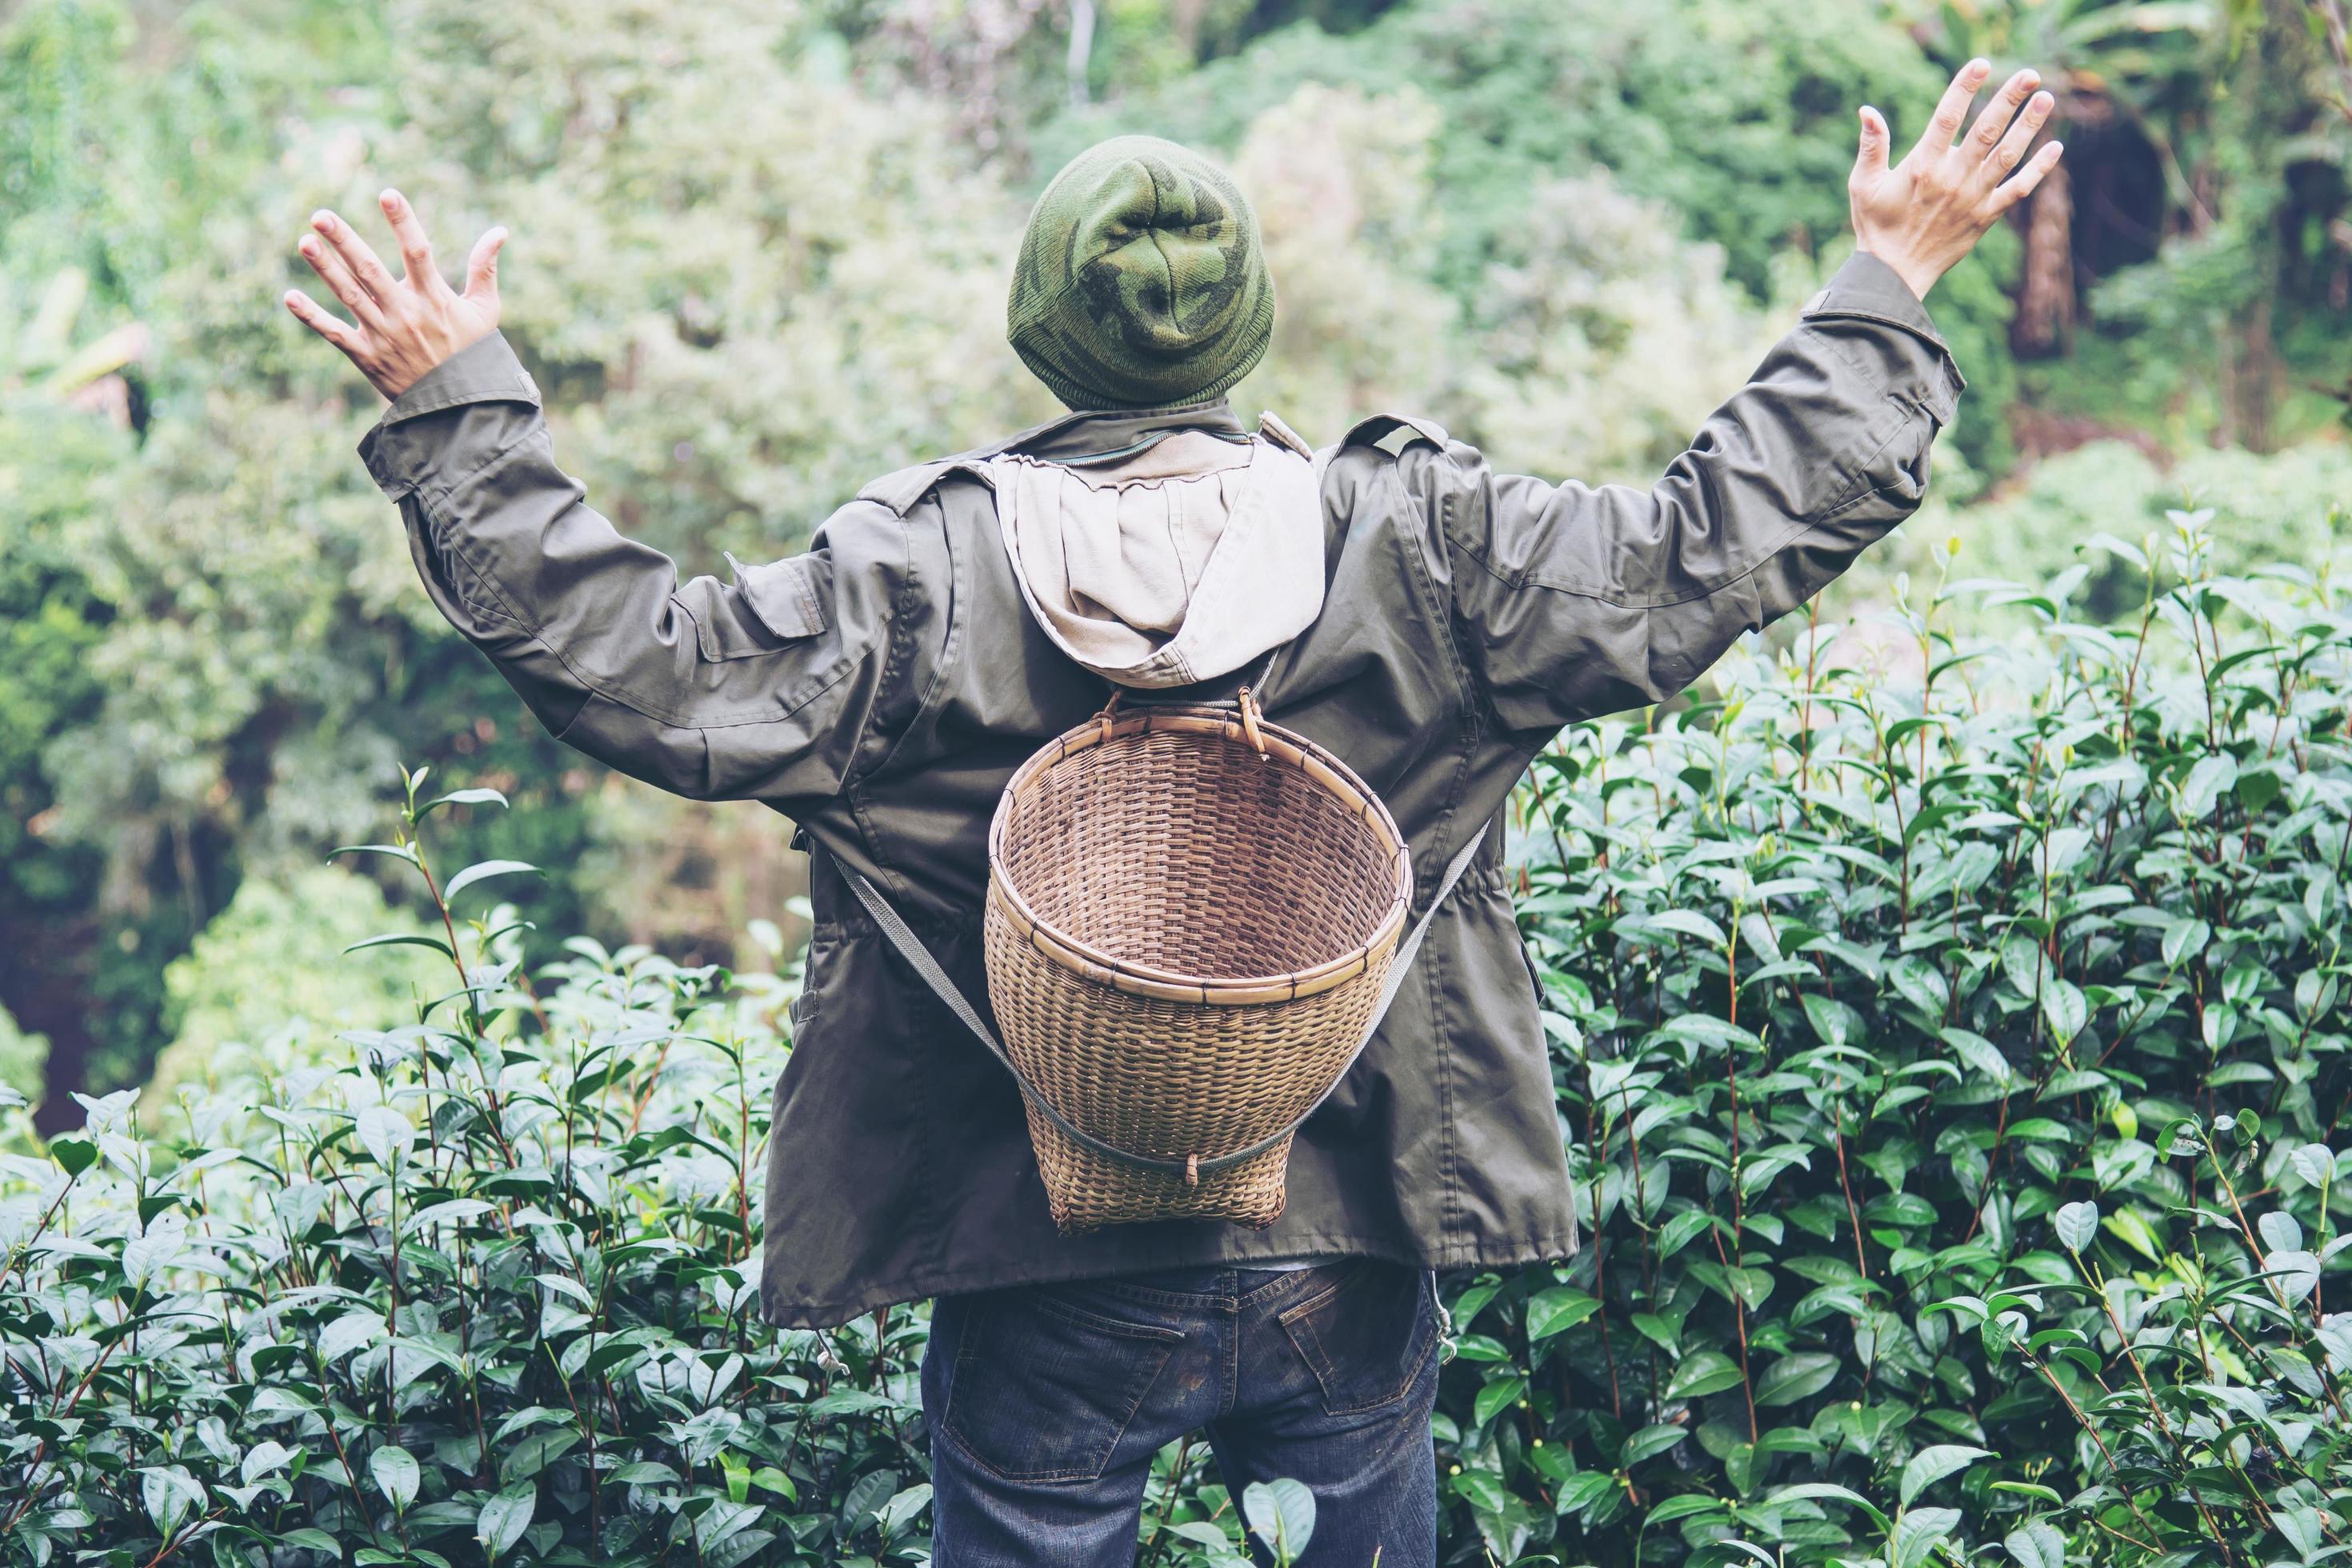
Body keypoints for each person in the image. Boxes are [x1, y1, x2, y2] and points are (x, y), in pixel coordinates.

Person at [285, 58, 2058, 1568]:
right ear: (1252, 324)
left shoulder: (910, 580)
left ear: (1041, 332)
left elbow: (646, 666)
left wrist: (459, 403)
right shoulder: (1430, 548)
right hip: (1346, 1232)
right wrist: (1889, 275)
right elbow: (1705, 548)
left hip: (1038, 1258)